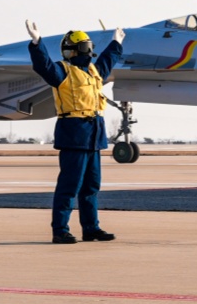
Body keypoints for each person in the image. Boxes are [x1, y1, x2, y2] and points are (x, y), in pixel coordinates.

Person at [25, 20, 124, 244]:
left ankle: (91, 228)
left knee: (91, 186)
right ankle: (60, 230)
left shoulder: (93, 71)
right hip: (75, 134)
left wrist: (116, 44)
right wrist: (36, 42)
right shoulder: (63, 71)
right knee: (69, 186)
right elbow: (43, 66)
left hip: (93, 135)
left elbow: (108, 61)